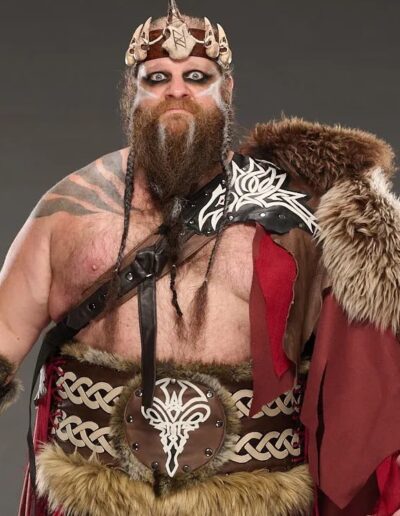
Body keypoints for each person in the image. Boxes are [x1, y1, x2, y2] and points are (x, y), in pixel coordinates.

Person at [0, 1, 399, 514]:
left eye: (196, 76)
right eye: (156, 78)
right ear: (131, 93)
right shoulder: (69, 212)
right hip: (96, 500)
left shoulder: (292, 217)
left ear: (225, 90)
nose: (177, 90)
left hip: (254, 502)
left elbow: (362, 374)